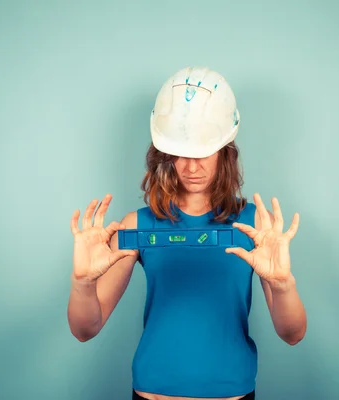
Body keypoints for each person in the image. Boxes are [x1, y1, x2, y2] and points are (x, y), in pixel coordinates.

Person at [67, 67, 307, 400]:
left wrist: (283, 286)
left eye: (203, 152)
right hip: (152, 392)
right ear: (163, 155)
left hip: (232, 392)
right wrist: (83, 284)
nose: (191, 168)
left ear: (225, 150)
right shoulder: (135, 226)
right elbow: (84, 330)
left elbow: (292, 334)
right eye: (180, 153)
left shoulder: (255, 226)